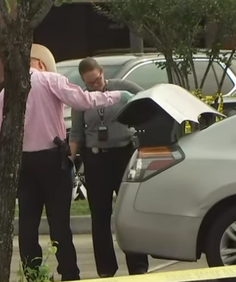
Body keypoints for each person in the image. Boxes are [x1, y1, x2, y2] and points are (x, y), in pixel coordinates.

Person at [0, 44, 134, 282]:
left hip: (23, 163)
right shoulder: (51, 80)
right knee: (59, 224)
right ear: (41, 63)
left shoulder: (8, 92)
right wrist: (117, 95)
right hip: (52, 159)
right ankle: (69, 273)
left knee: (28, 224)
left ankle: (34, 274)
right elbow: (83, 100)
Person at [69, 57, 149, 278]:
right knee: (100, 216)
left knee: (129, 212)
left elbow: (148, 100)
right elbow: (76, 132)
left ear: (102, 72)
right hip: (96, 160)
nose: (94, 86)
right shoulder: (82, 99)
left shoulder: (123, 89)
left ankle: (138, 265)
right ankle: (106, 268)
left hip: (124, 155)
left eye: (96, 80)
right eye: (89, 83)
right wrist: (70, 157)